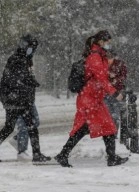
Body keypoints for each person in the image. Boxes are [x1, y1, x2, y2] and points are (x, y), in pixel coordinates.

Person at [54, 30, 128, 167]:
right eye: (107, 42)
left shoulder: (100, 55)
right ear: (101, 42)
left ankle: (111, 157)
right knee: (89, 127)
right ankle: (63, 154)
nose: (108, 45)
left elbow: (101, 76)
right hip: (89, 99)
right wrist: (115, 93)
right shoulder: (95, 56)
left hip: (94, 98)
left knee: (106, 127)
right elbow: (100, 78)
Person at [0, 34, 51, 163]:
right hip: (17, 99)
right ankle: (36, 154)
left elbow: (18, 78)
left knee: (10, 127)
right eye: (31, 47)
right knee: (31, 126)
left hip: (14, 98)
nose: (32, 50)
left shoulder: (22, 59)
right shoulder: (19, 59)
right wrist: (29, 83)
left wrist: (30, 82)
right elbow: (16, 80)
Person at [104, 50, 127, 135]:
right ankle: (109, 132)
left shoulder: (119, 64)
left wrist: (116, 79)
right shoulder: (102, 64)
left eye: (110, 57)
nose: (109, 59)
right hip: (105, 92)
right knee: (107, 113)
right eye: (107, 57)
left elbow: (124, 75)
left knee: (116, 114)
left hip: (117, 91)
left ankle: (114, 132)